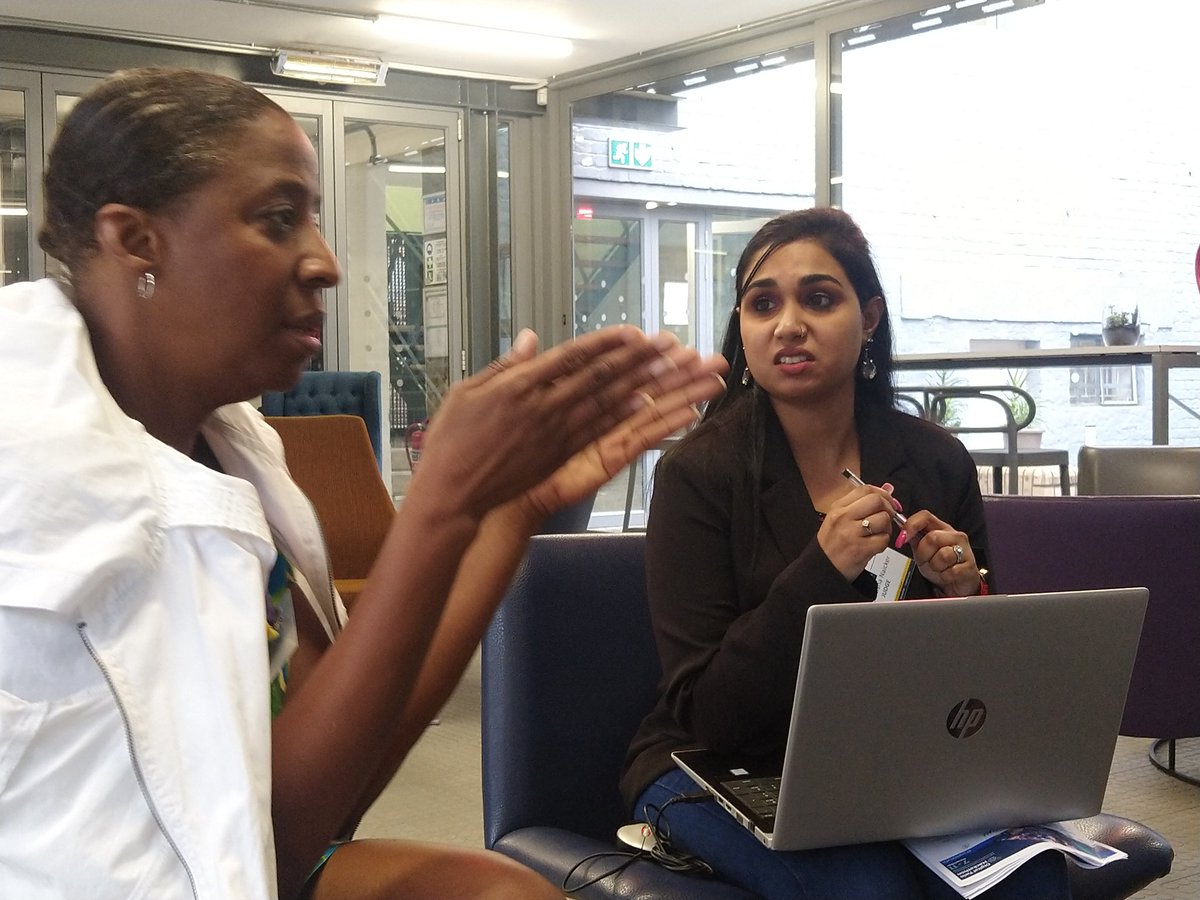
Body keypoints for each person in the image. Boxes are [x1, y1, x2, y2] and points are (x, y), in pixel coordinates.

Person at [0, 67, 727, 900]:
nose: (325, 261)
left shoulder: (225, 448)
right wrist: (442, 509)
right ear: (136, 242)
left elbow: (331, 784)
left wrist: (504, 514)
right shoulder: (42, 491)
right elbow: (262, 843)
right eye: (278, 219)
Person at [618, 208, 1070, 898]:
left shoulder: (934, 459)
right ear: (741, 326)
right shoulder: (698, 476)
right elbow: (711, 713)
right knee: (871, 890)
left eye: (819, 299)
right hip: (716, 762)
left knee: (1027, 879)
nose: (787, 324)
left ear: (870, 318)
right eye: (762, 303)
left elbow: (976, 680)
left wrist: (963, 595)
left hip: (888, 761)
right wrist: (821, 570)